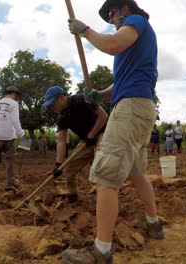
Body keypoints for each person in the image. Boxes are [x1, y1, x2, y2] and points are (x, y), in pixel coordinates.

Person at [64, 1, 163, 262]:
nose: (111, 20)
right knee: (136, 172)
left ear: (124, 10)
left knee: (105, 176)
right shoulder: (134, 45)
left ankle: (101, 250)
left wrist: (84, 30)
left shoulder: (137, 23)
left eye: (112, 15)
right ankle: (154, 223)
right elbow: (121, 81)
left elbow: (111, 45)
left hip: (131, 108)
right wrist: (100, 94)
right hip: (139, 106)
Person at [44, 86, 108, 203]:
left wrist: (91, 135)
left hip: (103, 135)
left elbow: (103, 116)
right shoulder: (62, 118)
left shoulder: (82, 99)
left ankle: (107, 196)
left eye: (52, 103)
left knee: (99, 168)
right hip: (86, 140)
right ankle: (72, 194)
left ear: (61, 98)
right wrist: (58, 164)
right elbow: (62, 140)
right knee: (69, 167)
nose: (51, 107)